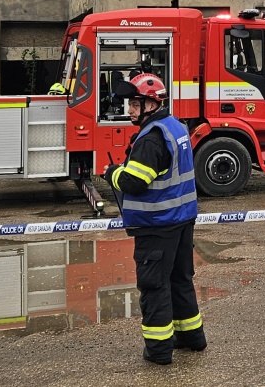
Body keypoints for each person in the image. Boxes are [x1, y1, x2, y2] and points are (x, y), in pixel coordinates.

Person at [101, 73, 204, 365]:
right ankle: (192, 338)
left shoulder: (150, 139)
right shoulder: (176, 126)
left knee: (154, 286)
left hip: (158, 225)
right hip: (182, 221)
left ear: (151, 104)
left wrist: (112, 173)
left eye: (134, 104)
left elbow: (135, 181)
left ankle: (158, 351)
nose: (129, 110)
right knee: (180, 279)